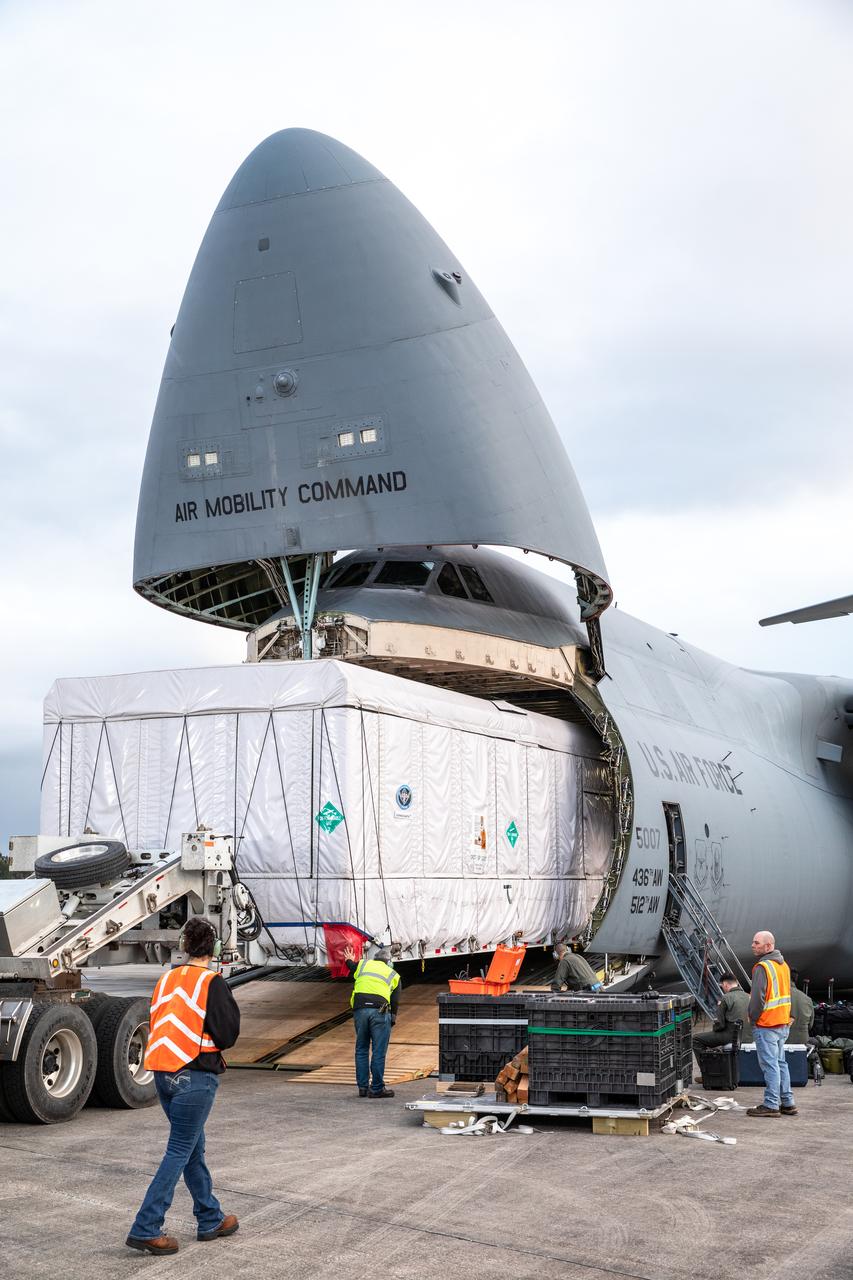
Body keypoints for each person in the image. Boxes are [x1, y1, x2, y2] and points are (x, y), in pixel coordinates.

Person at [126, 917, 242, 1255]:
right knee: (179, 1150)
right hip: (194, 1075)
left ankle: (210, 1217)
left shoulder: (166, 980)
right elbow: (227, 1035)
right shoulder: (212, 982)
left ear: (183, 946)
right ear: (215, 949)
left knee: (192, 1147)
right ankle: (146, 1226)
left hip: (163, 1074)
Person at [746, 929, 796, 1118]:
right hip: (782, 1022)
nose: (753, 945)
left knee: (770, 1065)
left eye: (756, 943)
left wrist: (753, 1017)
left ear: (768, 946)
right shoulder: (784, 966)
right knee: (780, 1063)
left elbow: (757, 999)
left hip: (767, 1024)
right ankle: (788, 1102)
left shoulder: (763, 967)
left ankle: (771, 1104)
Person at [343, 942, 401, 1098]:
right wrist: (392, 1019)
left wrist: (348, 959)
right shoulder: (393, 974)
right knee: (378, 1051)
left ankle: (363, 1088)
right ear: (389, 962)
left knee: (361, 1049)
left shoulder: (363, 965)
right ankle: (376, 1089)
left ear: (374, 959)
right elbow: (394, 1001)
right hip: (380, 1012)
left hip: (360, 1010)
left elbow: (352, 967)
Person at [692, 974, 752, 1050]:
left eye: (722, 986)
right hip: (750, 1036)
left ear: (725, 984)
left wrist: (714, 1030)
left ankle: (708, 1061)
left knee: (696, 1039)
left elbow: (720, 1025)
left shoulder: (726, 998)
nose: (723, 988)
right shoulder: (749, 996)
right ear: (736, 983)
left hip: (732, 1036)